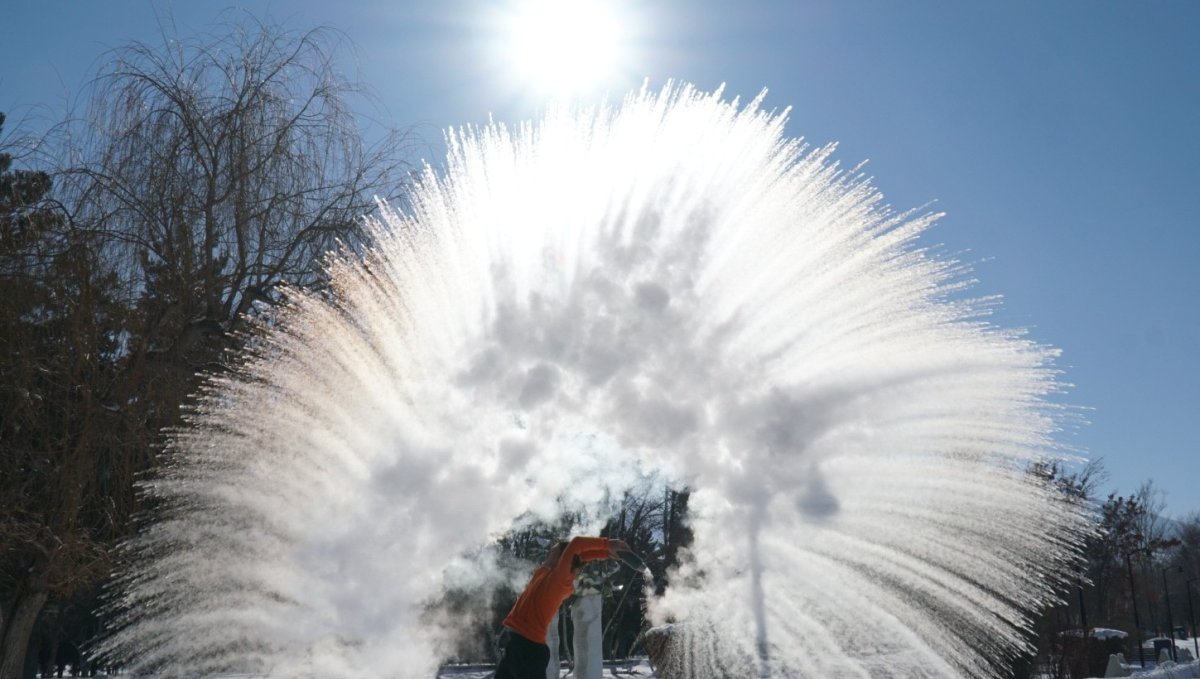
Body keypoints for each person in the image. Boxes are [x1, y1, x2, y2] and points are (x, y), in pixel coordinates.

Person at [495, 536, 630, 679]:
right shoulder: (545, 572)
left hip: (529, 650)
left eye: (553, 552)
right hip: (516, 644)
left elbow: (577, 543)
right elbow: (580, 557)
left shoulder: (559, 580)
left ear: (562, 559)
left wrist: (609, 544)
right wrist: (605, 553)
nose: (549, 553)